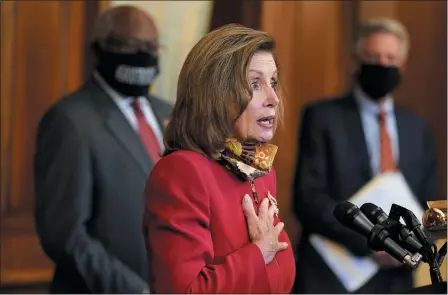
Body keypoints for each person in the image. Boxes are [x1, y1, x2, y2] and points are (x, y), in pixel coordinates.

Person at [143, 24, 296, 294]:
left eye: (273, 82)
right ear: (215, 93)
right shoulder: (182, 172)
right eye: (254, 84)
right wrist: (260, 253)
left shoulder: (261, 169)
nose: (273, 98)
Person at [292, 18, 438, 294]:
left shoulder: (417, 128)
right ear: (356, 61)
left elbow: (428, 204)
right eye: (373, 57)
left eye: (390, 58)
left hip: (398, 279)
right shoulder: (323, 117)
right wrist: (374, 241)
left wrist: (404, 246)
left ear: (402, 66)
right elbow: (308, 199)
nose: (382, 65)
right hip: (333, 276)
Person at [34, 5, 172, 293]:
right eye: (129, 45)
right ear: (99, 49)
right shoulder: (69, 121)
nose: (142, 54)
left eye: (150, 46)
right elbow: (66, 234)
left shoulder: (172, 115)